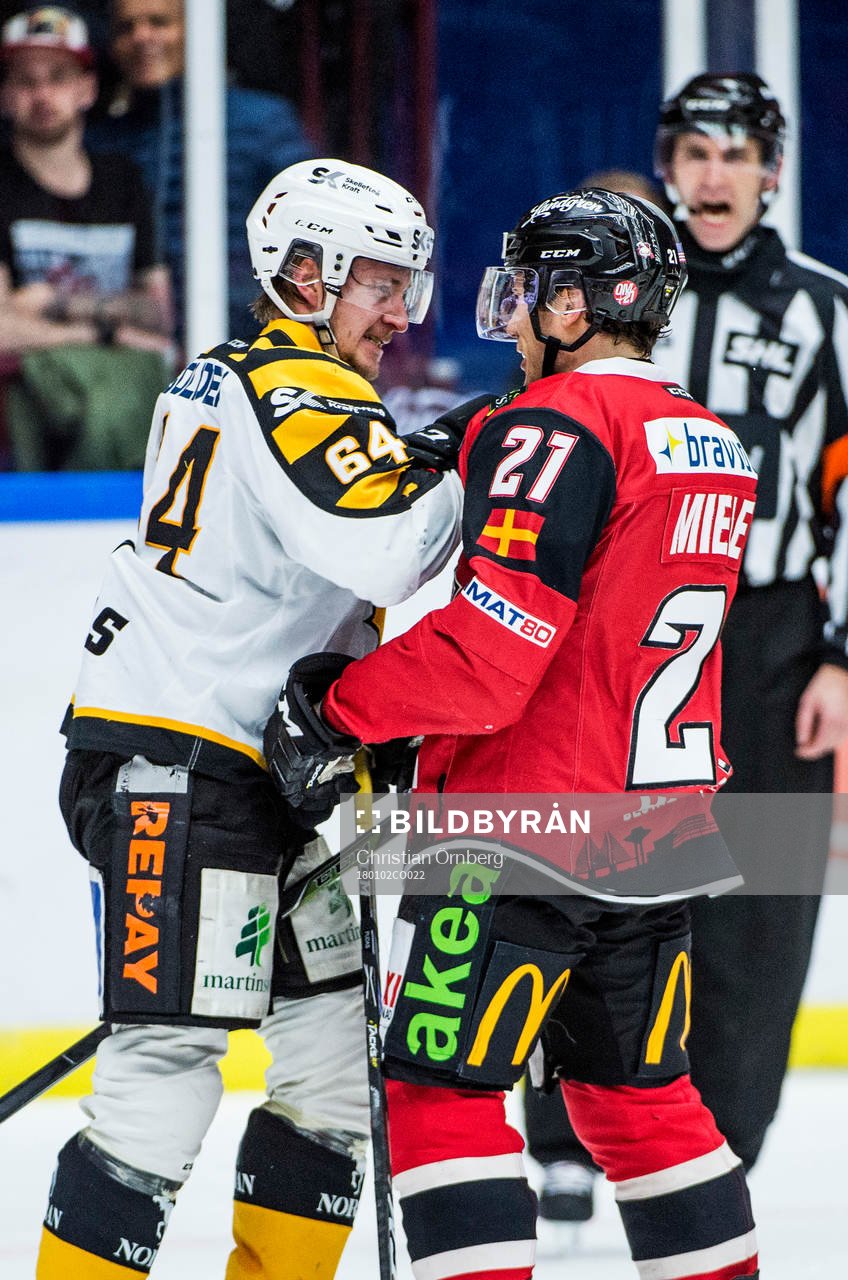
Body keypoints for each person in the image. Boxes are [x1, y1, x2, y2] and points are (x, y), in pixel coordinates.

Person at [268, 187, 762, 1280]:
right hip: (660, 826)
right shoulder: (711, 439)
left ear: (580, 305)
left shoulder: (556, 422)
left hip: (519, 833)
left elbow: (491, 657)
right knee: (637, 1098)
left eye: (535, 290)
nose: (521, 315)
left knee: (439, 1091)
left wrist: (339, 707)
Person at [35, 156, 463, 1280]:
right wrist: (504, 451)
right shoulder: (297, 388)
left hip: (265, 774)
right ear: (306, 273)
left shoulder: (254, 376)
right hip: (182, 767)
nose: (396, 313)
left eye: (405, 286)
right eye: (378, 281)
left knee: (328, 1068)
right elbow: (388, 540)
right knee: (164, 1067)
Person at [523, 71, 848, 1242]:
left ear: (772, 170)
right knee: (589, 872)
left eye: (736, 152)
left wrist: (843, 659)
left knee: (758, 910)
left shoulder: (828, 309)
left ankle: (717, 1149)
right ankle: (559, 1138)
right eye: (693, 150)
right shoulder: (602, 290)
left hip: (767, 640)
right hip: (617, 619)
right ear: (667, 163)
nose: (714, 173)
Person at [0, 4, 173, 469]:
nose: (41, 94)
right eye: (25, 80)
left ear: (87, 89)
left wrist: (53, 305)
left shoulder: (123, 182)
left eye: (57, 77)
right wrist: (110, 327)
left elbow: (158, 315)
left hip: (117, 389)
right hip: (32, 409)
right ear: (5, 95)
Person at [87, 0, 313, 341]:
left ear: (198, 31)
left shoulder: (261, 121)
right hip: (134, 350)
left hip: (253, 343)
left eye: (159, 23)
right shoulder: (102, 141)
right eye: (126, 28)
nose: (142, 37)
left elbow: (312, 237)